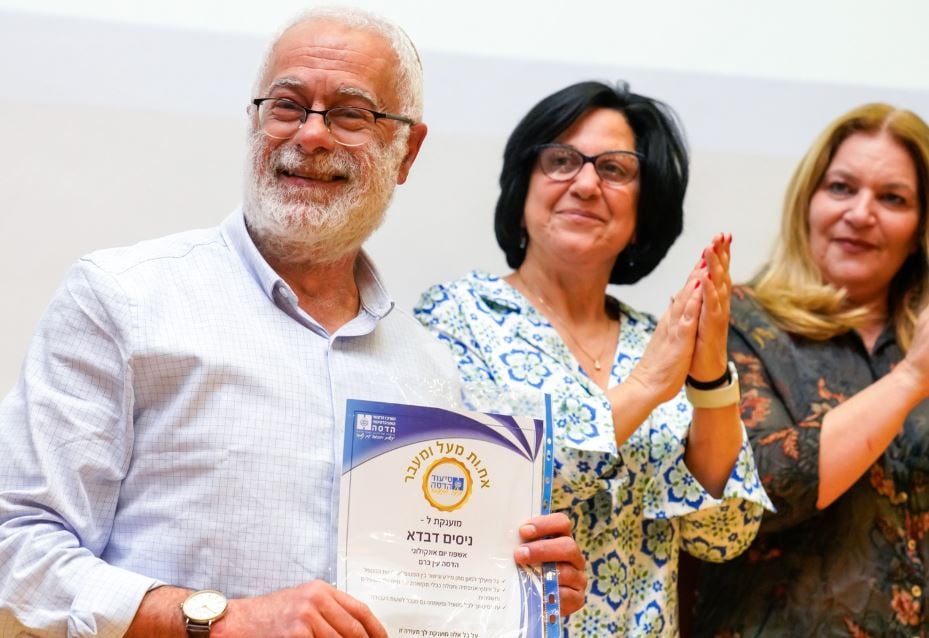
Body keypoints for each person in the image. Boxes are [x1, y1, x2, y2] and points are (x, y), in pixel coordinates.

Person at [0, 8, 586, 637]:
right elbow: (17, 549)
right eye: (286, 105)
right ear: (254, 119)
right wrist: (222, 622)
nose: (310, 135)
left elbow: (423, 602)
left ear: (407, 151)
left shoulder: (427, 370)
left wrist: (512, 592)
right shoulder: (121, 298)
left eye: (350, 114)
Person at [414, 81, 772, 637]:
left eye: (614, 169)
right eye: (560, 161)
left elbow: (722, 533)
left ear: (644, 210)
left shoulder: (660, 339)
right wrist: (648, 385)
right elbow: (466, 499)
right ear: (523, 188)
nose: (584, 184)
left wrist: (708, 378)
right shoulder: (453, 317)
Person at [693, 103, 929, 636]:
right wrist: (911, 380)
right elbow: (755, 494)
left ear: (921, 227)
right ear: (808, 202)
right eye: (842, 188)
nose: (862, 214)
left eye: (893, 198)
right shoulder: (737, 320)